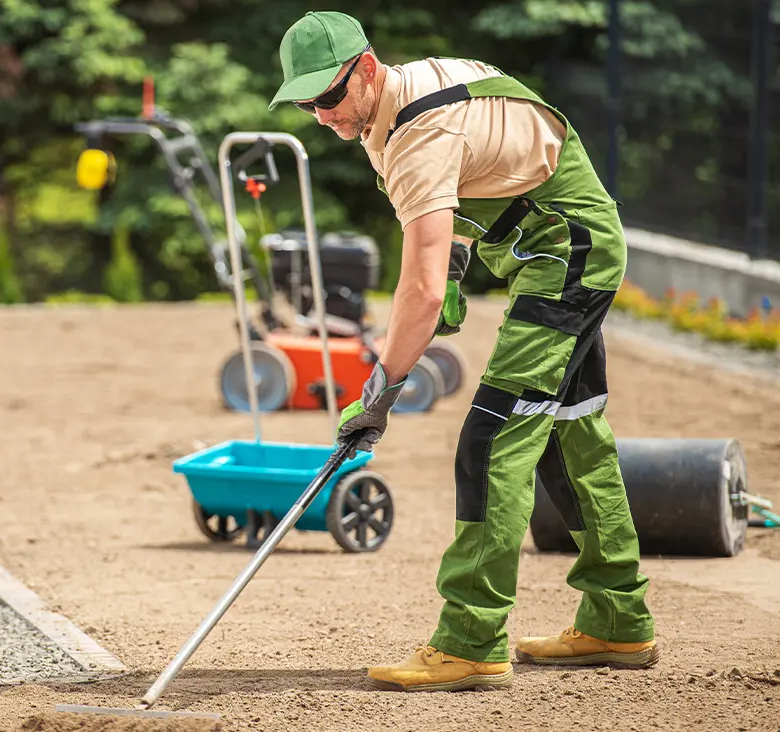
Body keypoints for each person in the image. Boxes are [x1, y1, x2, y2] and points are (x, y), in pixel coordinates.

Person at [268, 11, 659, 692]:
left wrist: (380, 392)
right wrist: (445, 283)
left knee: (492, 437)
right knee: (573, 437)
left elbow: (415, 289)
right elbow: (448, 222)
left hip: (567, 254)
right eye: (306, 104)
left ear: (364, 69)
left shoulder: (419, 129)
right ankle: (619, 621)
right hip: (553, 250)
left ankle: (473, 640)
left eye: (327, 98)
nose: (321, 116)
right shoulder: (385, 114)